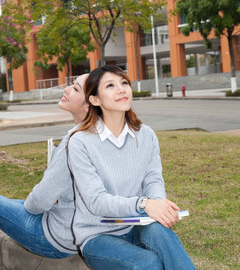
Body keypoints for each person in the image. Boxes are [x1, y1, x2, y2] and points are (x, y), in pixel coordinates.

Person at [67, 65, 197, 270]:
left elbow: (153, 179)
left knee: (161, 233)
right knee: (148, 264)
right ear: (95, 100)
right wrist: (144, 204)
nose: (121, 89)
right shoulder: (80, 142)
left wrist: (159, 206)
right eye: (110, 85)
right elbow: (96, 201)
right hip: (97, 235)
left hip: (136, 225)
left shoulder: (146, 135)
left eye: (124, 83)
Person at [0, 73, 89, 259]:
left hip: (58, 240)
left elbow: (38, 202)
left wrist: (45, 196)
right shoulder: (102, 134)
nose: (66, 89)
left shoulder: (74, 142)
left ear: (90, 104)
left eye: (75, 88)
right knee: (16, 203)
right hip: (81, 230)